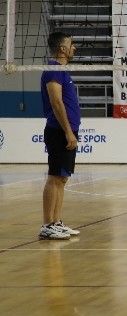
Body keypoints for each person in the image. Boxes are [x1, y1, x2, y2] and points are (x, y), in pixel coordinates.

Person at [39, 32, 81, 240]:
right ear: (62, 49)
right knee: (55, 177)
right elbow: (56, 103)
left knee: (62, 178)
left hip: (67, 129)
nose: (74, 48)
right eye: (71, 44)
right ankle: (47, 224)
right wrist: (67, 131)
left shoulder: (62, 70)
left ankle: (56, 222)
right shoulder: (53, 70)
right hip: (58, 130)